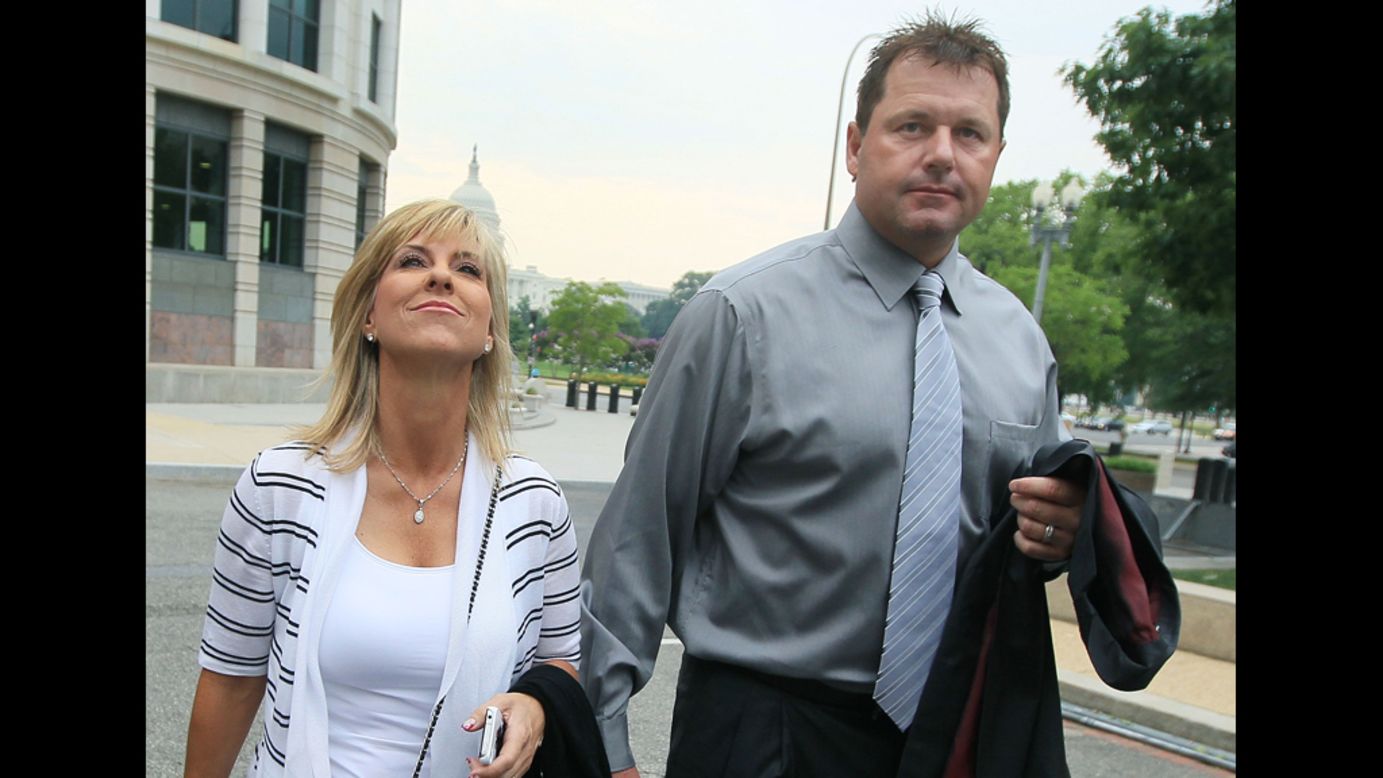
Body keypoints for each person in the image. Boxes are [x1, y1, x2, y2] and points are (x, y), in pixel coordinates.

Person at [579, 14, 1115, 777]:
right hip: (760, 730)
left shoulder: (1020, 343)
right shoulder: (741, 315)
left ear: (995, 157)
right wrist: (601, 743)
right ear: (856, 146)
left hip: (951, 735)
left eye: (969, 133)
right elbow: (638, 538)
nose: (940, 154)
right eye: (911, 125)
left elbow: (1018, 536)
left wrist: (1057, 533)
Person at [184, 199, 584, 778]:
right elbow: (230, 680)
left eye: (469, 270)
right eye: (412, 260)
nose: (442, 275)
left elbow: (559, 663)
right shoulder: (279, 485)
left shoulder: (535, 502)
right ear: (369, 316)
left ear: (491, 329)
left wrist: (536, 704)